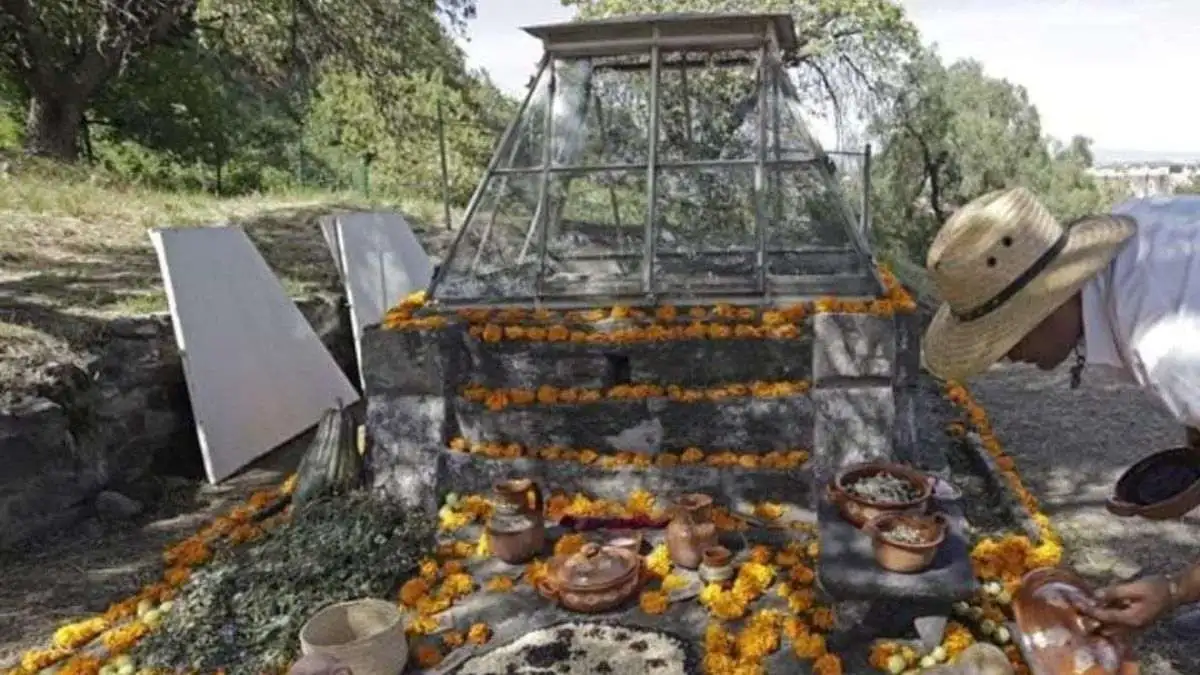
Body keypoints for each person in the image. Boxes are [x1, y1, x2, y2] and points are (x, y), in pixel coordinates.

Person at [920, 187, 1200, 632]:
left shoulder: (1165, 345)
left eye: (1004, 337)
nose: (1004, 358)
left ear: (1048, 301)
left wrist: (1176, 590)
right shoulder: (1136, 254)